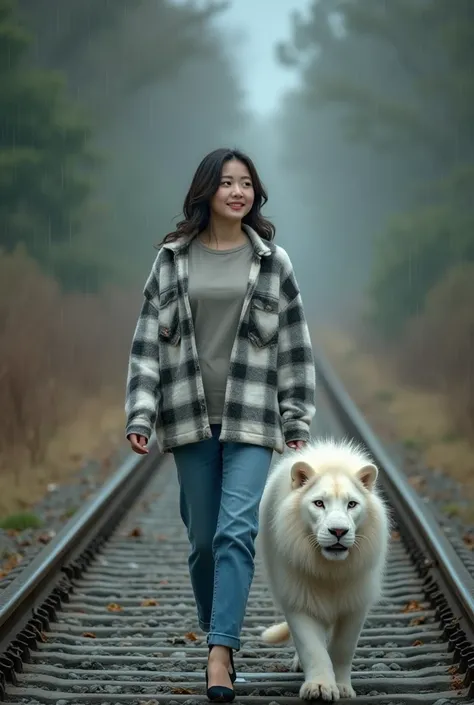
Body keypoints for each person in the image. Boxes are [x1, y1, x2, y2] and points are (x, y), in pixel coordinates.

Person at [125, 147, 316, 703]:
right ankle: (220, 636)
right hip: (187, 414)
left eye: (246, 183)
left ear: (256, 194)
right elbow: (144, 347)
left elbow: (295, 347)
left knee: (237, 532)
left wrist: (295, 417)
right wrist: (141, 411)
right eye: (227, 182)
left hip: (253, 418)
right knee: (204, 542)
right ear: (206, 190)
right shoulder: (171, 260)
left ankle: (220, 653)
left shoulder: (273, 262)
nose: (238, 192)